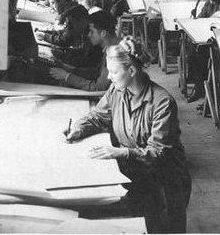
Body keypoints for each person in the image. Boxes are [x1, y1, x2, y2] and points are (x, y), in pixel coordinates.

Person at [65, 42, 191, 233]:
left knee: (164, 227)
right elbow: (98, 116)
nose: (108, 77)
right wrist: (79, 129)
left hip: (165, 182)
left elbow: (159, 152)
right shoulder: (117, 91)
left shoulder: (162, 102)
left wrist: (121, 152)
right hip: (136, 175)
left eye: (113, 72)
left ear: (131, 70)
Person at [49, 10, 118, 91]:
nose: (88, 35)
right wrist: (70, 69)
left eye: (92, 31)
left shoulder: (115, 54)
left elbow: (98, 88)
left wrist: (66, 76)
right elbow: (97, 72)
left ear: (103, 33)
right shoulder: (110, 47)